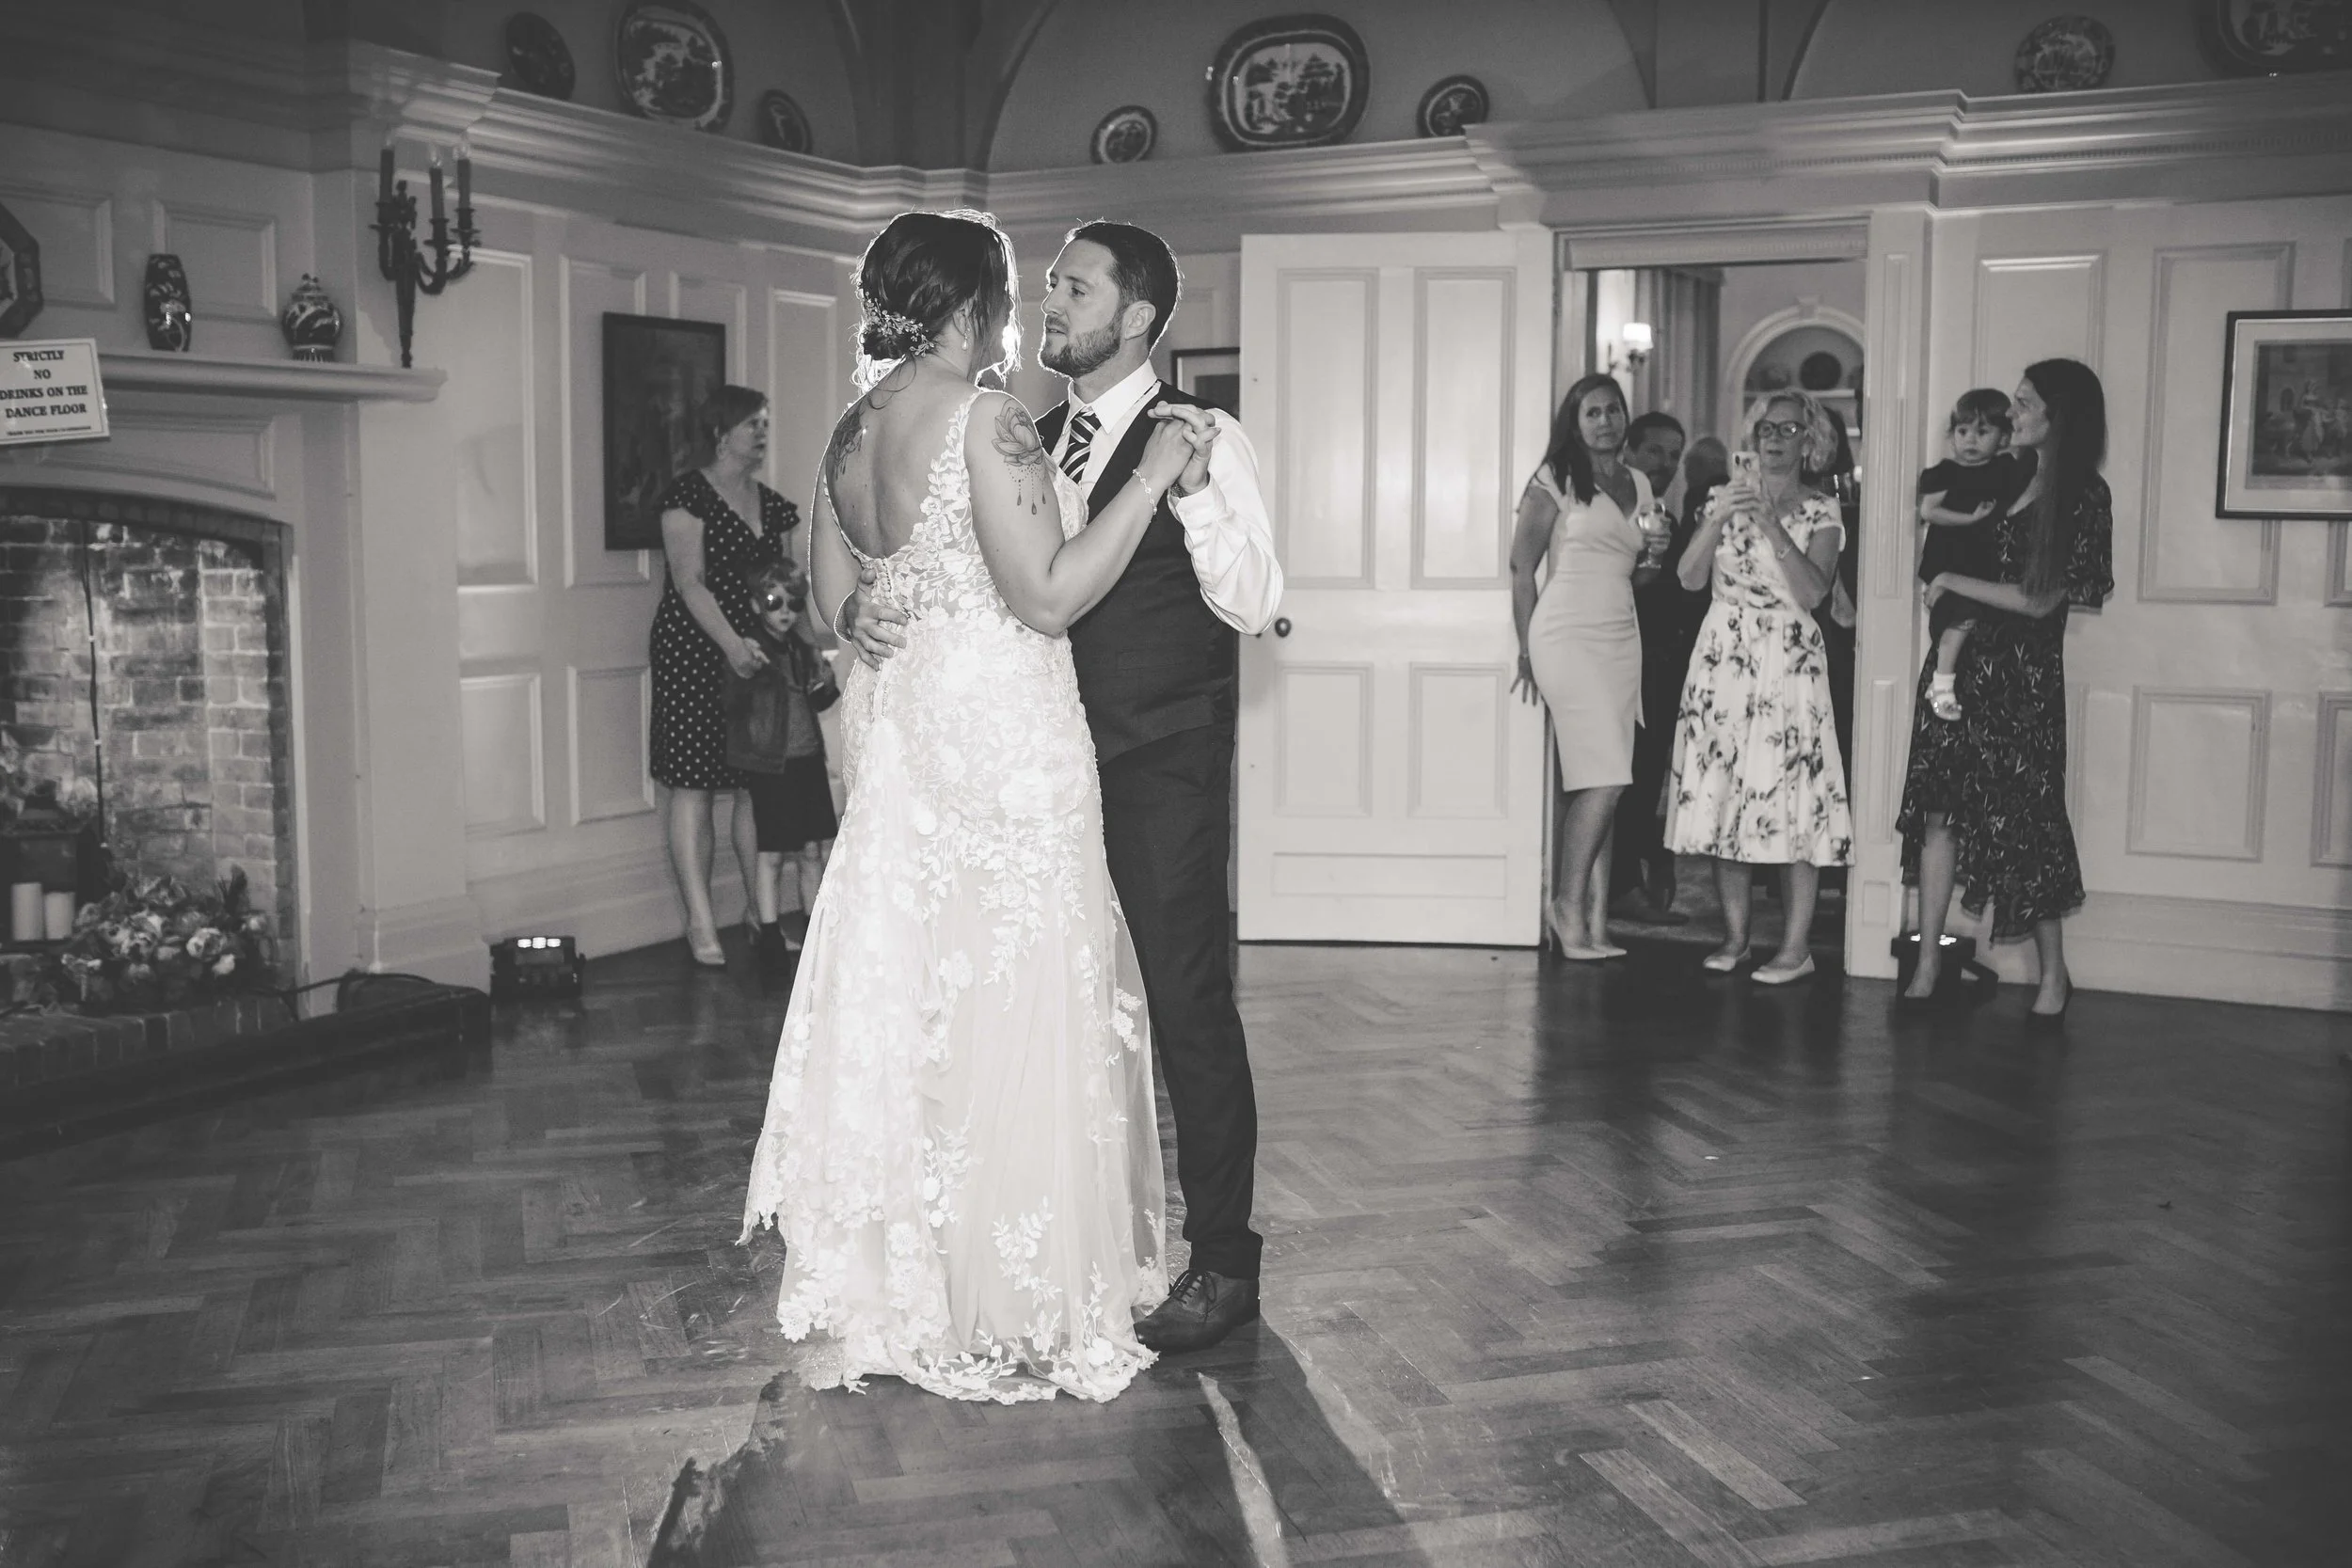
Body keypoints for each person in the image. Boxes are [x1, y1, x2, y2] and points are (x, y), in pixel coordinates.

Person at [740, 208, 1220, 1403]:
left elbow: (829, 590)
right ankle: (1009, 1290)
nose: (1020, 317)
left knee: (925, 999)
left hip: (910, 746)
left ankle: (920, 1280)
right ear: (974, 304)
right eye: (1012, 297)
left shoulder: (852, 429)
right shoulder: (985, 417)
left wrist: (857, 619)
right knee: (1015, 1000)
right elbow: (1049, 596)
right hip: (1007, 744)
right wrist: (1152, 476)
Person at [836, 219, 1284, 1357]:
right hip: (1026, 769)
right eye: (1045, 285)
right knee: (1056, 1011)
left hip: (1154, 757)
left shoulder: (1198, 432)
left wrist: (1177, 494)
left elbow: (1253, 594)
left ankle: (1224, 1259)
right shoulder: (1012, 432)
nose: (1049, 302)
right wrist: (854, 608)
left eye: (1075, 287)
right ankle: (1059, 1243)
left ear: (1135, 315)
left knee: (1183, 1003)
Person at [1897, 358, 2113, 1020]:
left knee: (2028, 821)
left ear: (2060, 416)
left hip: (2022, 679)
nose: (2011, 414)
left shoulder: (2083, 495)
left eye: (2023, 404)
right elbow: (1941, 538)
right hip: (1957, 670)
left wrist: (1956, 586)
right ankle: (1930, 958)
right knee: (1940, 811)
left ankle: (2054, 973)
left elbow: (2043, 598)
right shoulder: (2005, 473)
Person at [1662, 390, 1854, 984]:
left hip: (1789, 660)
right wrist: (1721, 515)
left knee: (1794, 798)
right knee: (1724, 796)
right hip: (1724, 655)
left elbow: (1815, 594)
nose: (1773, 438)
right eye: (1765, 427)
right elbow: (1689, 578)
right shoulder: (1720, 502)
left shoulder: (1822, 510)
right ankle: (1737, 937)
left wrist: (1772, 524)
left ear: (1810, 440)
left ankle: (1795, 948)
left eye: (1789, 429)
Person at [1511, 374, 1673, 959]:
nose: (1605, 421)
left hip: (1619, 634)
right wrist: (1526, 649)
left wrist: (1655, 555)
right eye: (1593, 413)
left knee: (1599, 777)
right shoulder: (1554, 478)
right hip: (1565, 634)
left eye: (1613, 411)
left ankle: (1597, 925)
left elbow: (1640, 573)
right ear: (1574, 422)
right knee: (1605, 779)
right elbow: (1520, 565)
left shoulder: (1638, 481)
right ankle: (1564, 906)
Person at [648, 386, 791, 966]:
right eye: (750, 423)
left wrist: (792, 648)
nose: (761, 432)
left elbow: (784, 583)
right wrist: (731, 644)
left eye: (764, 422)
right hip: (694, 650)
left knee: (756, 785)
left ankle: (761, 913)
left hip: (756, 656)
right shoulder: (686, 497)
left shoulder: (774, 504)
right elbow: (689, 582)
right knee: (694, 784)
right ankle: (700, 922)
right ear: (719, 431)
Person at [722, 556, 838, 977]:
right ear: (756, 605)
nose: (784, 610)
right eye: (773, 601)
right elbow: (733, 708)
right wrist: (752, 668)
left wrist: (824, 676)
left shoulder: (802, 650)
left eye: (792, 602)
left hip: (807, 761)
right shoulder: (748, 652)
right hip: (771, 766)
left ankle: (815, 934)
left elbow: (823, 701)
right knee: (770, 854)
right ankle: (769, 937)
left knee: (811, 851)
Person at [1915, 390, 2029, 721]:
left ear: (2004, 437)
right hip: (1950, 558)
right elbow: (1930, 511)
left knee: (1977, 616)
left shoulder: (2007, 469)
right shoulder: (1946, 473)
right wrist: (1971, 518)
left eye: (1982, 433)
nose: (1970, 440)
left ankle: (1947, 679)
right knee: (1958, 616)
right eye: (1963, 432)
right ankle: (1942, 681)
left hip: (1983, 559)